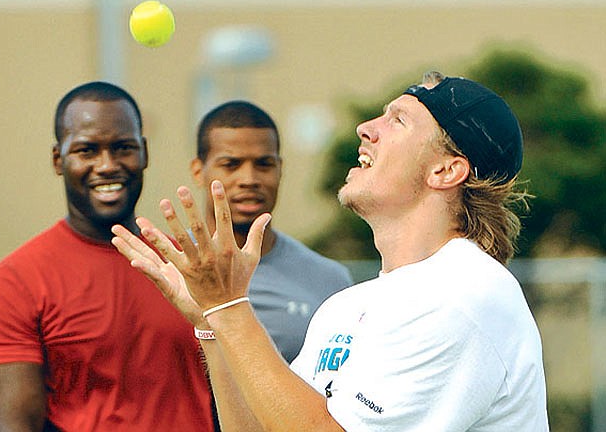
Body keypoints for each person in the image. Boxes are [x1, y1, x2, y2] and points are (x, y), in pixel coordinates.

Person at [112, 71, 549, 431]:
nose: (366, 129)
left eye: (397, 121)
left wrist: (230, 309)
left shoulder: (465, 294)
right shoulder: (347, 306)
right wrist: (211, 322)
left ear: (445, 170)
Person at [0, 81, 214, 431]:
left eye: (123, 147)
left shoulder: (187, 266)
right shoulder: (14, 283)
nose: (107, 164)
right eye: (87, 151)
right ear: (58, 159)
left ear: (144, 152)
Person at [190, 100, 352, 363]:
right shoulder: (168, 268)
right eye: (231, 164)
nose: (249, 179)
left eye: (264, 164)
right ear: (199, 171)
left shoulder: (330, 282)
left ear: (280, 169)